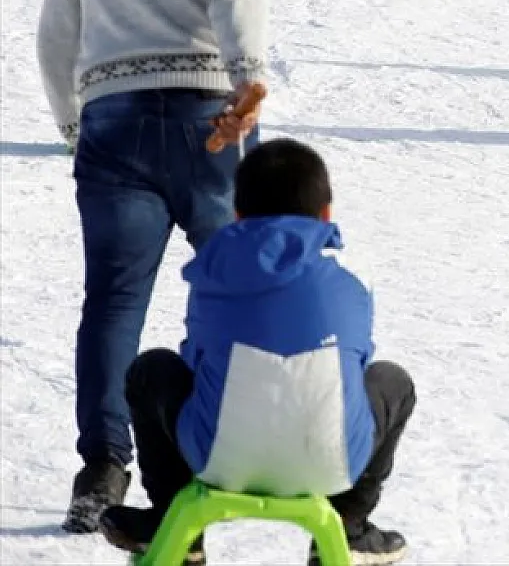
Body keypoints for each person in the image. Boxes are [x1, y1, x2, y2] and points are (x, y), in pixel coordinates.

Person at [37, 0, 271, 533]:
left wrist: (73, 120)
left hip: (112, 117)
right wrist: (246, 82)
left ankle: (102, 465)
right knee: (238, 284)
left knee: (112, 299)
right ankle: (236, 452)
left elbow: (55, 31)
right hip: (212, 119)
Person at [99, 140, 414, 566]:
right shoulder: (352, 278)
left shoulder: (212, 273)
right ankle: (350, 525)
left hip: (218, 457)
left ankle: (171, 522)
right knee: (392, 381)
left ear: (239, 214)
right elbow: (354, 368)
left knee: (153, 370)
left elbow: (196, 361)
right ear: (325, 214)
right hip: (332, 460)